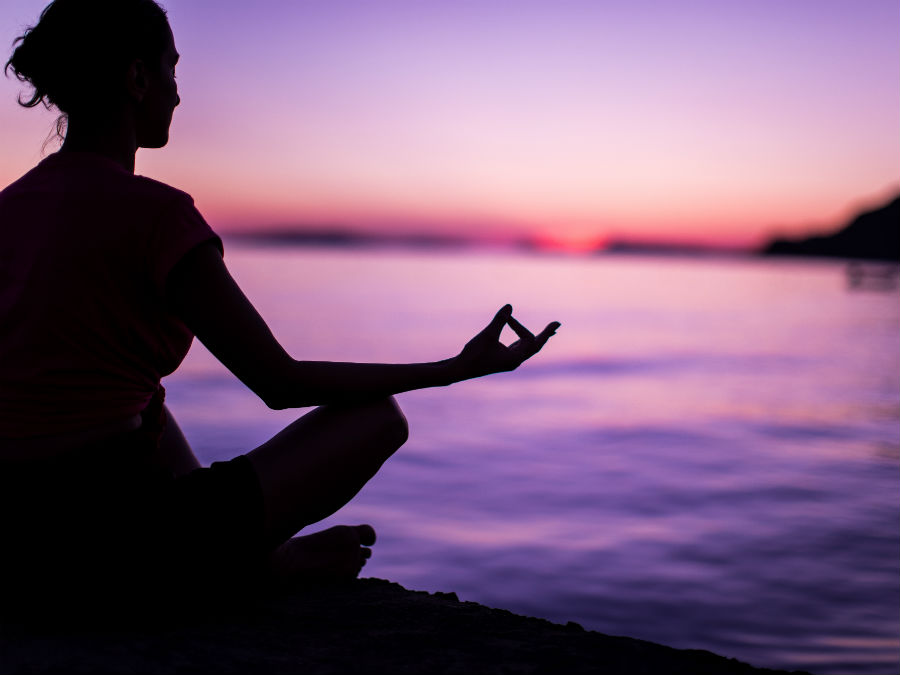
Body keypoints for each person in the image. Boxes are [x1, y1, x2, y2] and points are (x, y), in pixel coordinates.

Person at [0, 0, 558, 619]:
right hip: (111, 544)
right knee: (376, 419)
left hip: (13, 532)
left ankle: (243, 556)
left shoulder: (9, 208)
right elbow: (279, 382)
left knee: (145, 400)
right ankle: (259, 564)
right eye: (172, 71)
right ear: (136, 79)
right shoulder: (157, 215)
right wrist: (455, 367)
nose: (179, 96)